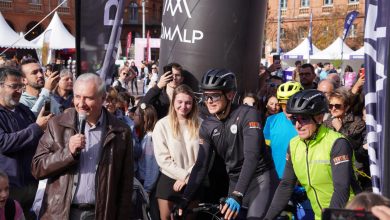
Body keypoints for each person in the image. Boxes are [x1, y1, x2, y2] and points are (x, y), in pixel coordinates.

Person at [179, 69, 278, 220]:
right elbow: (201, 165)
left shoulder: (248, 114)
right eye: (206, 96)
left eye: (215, 95)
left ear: (230, 95)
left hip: (260, 178)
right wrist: (185, 199)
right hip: (235, 181)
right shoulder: (207, 126)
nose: (209, 101)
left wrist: (238, 193)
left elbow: (252, 156)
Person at [31, 73, 133, 219]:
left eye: (88, 98)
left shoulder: (120, 131)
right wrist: (68, 153)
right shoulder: (57, 124)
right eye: (77, 96)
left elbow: (126, 181)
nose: (81, 103)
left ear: (103, 98)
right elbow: (37, 168)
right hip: (61, 213)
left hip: (100, 213)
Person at [265, 89, 361, 220]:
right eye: (294, 119)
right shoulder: (293, 145)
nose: (298, 125)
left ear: (319, 118)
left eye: (303, 119)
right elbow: (286, 185)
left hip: (348, 213)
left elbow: (341, 189)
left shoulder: (337, 143)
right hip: (320, 215)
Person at [0, 67, 51, 219]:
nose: (18, 91)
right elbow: (3, 143)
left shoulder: (24, 110)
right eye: (13, 86)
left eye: (20, 87)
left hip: (31, 183)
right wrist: (36, 127)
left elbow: (36, 139)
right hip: (8, 188)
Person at [152, 84, 202, 220]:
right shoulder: (162, 125)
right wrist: (184, 175)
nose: (183, 106)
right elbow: (163, 159)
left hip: (194, 179)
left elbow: (204, 156)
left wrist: (189, 176)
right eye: (180, 102)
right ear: (173, 102)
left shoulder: (201, 124)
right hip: (169, 180)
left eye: (188, 103)